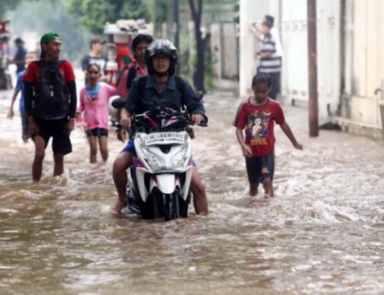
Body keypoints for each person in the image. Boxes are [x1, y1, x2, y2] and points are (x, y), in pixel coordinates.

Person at [112, 39, 209, 214]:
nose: (161, 62)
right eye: (157, 58)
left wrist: (197, 114)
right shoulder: (139, 84)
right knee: (118, 165)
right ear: (150, 61)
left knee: (200, 187)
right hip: (143, 138)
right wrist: (125, 118)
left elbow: (196, 106)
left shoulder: (181, 83)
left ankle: (203, 227)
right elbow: (127, 107)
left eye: (165, 58)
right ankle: (122, 198)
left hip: (176, 141)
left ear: (172, 62)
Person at [233, 73, 303, 198]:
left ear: (270, 89)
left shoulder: (274, 106)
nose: (260, 95)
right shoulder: (244, 106)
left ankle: (269, 214)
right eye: (258, 91)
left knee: (267, 182)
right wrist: (243, 146)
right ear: (252, 88)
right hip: (251, 153)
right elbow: (239, 130)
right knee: (253, 187)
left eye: (264, 92)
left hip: (267, 152)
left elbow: (283, 124)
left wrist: (294, 142)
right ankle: (253, 212)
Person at [23, 32, 77, 180]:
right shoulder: (34, 67)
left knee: (59, 156)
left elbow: (73, 94)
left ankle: (56, 191)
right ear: (44, 46)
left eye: (60, 45)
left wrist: (71, 119)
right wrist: (30, 120)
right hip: (40, 120)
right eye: (55, 44)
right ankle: (35, 187)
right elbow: (27, 95)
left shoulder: (65, 66)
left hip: (61, 120)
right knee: (39, 154)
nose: (58, 48)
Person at [76, 64, 119, 163]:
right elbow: (82, 105)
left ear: (100, 75)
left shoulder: (105, 88)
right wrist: (78, 111)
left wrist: (114, 77)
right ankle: (93, 172)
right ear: (86, 74)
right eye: (90, 72)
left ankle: (105, 167)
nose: (93, 75)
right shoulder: (83, 91)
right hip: (89, 124)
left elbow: (117, 90)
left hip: (102, 124)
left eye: (95, 73)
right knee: (93, 150)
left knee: (103, 149)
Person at [8, 51, 38, 143]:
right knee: (25, 134)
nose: (29, 59)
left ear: (38, 60)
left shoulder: (41, 74)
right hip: (24, 108)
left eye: (32, 57)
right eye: (27, 58)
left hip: (38, 108)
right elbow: (16, 92)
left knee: (38, 133)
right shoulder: (21, 75)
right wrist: (11, 108)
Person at [251, 16, 282, 99]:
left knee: (271, 91)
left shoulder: (270, 38)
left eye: (263, 27)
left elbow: (268, 53)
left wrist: (258, 55)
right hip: (267, 69)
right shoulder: (266, 38)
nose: (262, 29)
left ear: (268, 28)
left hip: (271, 69)